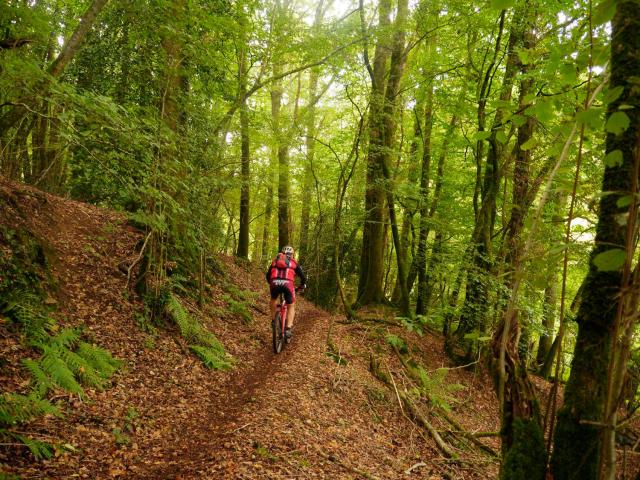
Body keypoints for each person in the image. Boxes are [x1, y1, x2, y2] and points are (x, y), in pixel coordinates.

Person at [266, 245, 306, 340]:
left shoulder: (274, 261)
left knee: (273, 299)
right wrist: (301, 286)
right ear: (292, 255)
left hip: (274, 283)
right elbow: (303, 277)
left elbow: (268, 275)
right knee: (291, 305)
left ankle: (273, 320)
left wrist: (272, 283)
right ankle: (288, 329)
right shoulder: (294, 263)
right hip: (288, 284)